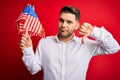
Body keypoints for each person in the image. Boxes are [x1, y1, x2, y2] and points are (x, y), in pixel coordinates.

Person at [19, 6, 120, 80]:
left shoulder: (85, 44)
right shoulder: (44, 43)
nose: (63, 25)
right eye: (61, 20)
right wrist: (28, 50)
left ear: (76, 26)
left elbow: (114, 48)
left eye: (69, 22)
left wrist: (94, 31)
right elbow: (34, 69)